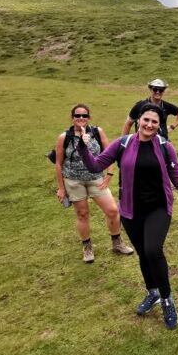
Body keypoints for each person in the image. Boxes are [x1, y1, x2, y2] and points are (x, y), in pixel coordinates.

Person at [78, 103, 178, 329]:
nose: (149, 124)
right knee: (142, 254)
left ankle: (167, 299)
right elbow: (95, 165)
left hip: (158, 208)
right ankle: (152, 292)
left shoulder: (166, 147)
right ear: (139, 120)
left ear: (159, 125)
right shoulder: (123, 144)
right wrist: (82, 145)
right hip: (130, 211)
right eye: (146, 120)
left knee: (152, 250)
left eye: (154, 122)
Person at [54, 104, 134, 262]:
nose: (81, 118)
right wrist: (61, 188)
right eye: (77, 115)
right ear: (72, 118)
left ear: (89, 118)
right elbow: (58, 163)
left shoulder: (97, 132)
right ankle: (87, 247)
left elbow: (110, 152)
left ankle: (117, 242)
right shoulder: (65, 137)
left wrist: (109, 174)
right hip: (74, 181)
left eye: (84, 116)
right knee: (82, 214)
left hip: (96, 178)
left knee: (112, 211)